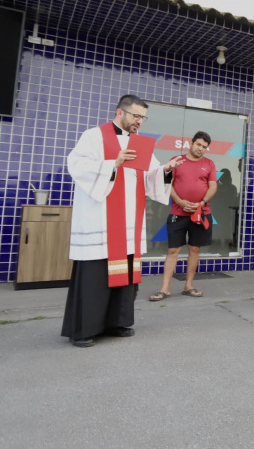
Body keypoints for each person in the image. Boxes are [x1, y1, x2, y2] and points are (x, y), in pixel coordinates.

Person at [61, 94, 183, 348]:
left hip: (129, 221)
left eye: (143, 117)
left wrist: (166, 170)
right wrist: (112, 165)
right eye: (136, 116)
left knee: (124, 274)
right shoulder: (94, 136)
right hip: (100, 220)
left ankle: (116, 322)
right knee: (96, 276)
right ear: (120, 112)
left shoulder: (140, 144)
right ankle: (83, 330)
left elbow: (151, 176)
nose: (140, 121)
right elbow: (76, 165)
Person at [150, 131, 216, 301]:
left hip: (200, 213)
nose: (200, 148)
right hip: (178, 213)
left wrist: (201, 203)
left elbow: (212, 187)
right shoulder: (177, 161)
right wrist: (179, 201)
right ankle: (164, 289)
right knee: (173, 250)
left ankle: (189, 286)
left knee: (195, 249)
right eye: (198, 144)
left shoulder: (209, 164)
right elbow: (168, 183)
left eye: (204, 147)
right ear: (191, 143)